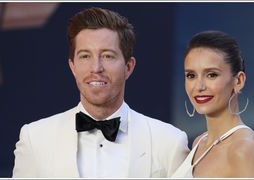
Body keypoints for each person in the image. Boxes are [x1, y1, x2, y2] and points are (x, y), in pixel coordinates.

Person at [12, 7, 189, 178]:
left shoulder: (170, 142)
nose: (96, 68)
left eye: (107, 56)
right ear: (72, 66)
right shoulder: (34, 138)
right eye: (85, 56)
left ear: (128, 67)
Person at [172, 31, 254, 178]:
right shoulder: (199, 142)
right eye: (191, 75)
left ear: (238, 81)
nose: (199, 86)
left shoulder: (243, 147)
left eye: (211, 75)